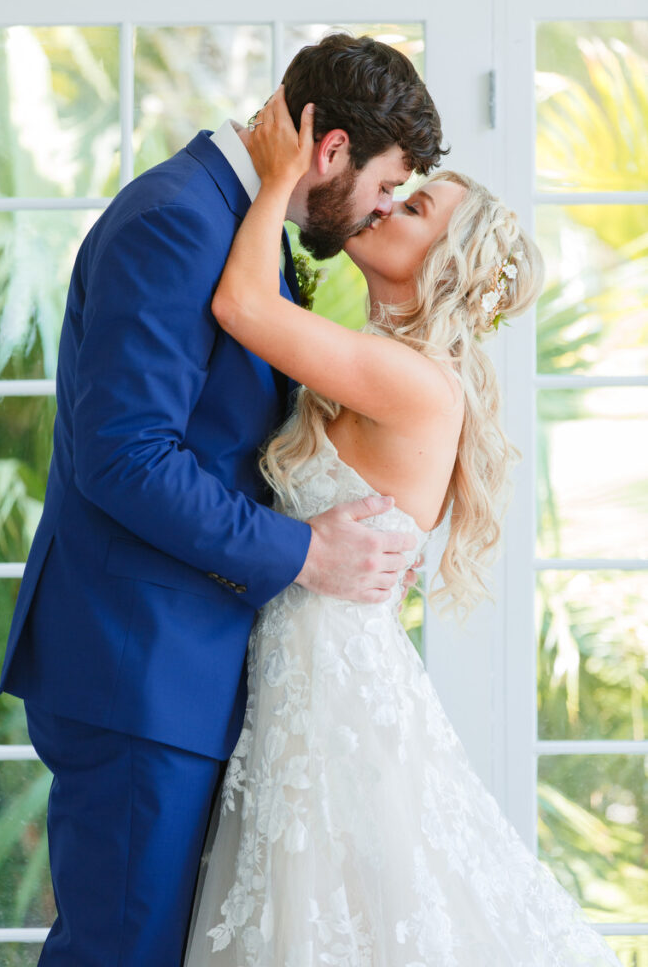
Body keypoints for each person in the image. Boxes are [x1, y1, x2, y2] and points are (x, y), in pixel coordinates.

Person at [0, 35, 445, 966]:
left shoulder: (232, 225)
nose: (380, 210)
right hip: (138, 674)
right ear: (329, 153)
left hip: (182, 673)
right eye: (385, 184)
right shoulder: (176, 220)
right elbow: (125, 458)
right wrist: (305, 553)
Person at [184, 89, 622, 966]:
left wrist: (278, 179)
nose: (384, 202)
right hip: (300, 673)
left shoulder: (414, 381)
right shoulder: (379, 365)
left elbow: (240, 310)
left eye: (413, 207)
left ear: (447, 262)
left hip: (334, 686)